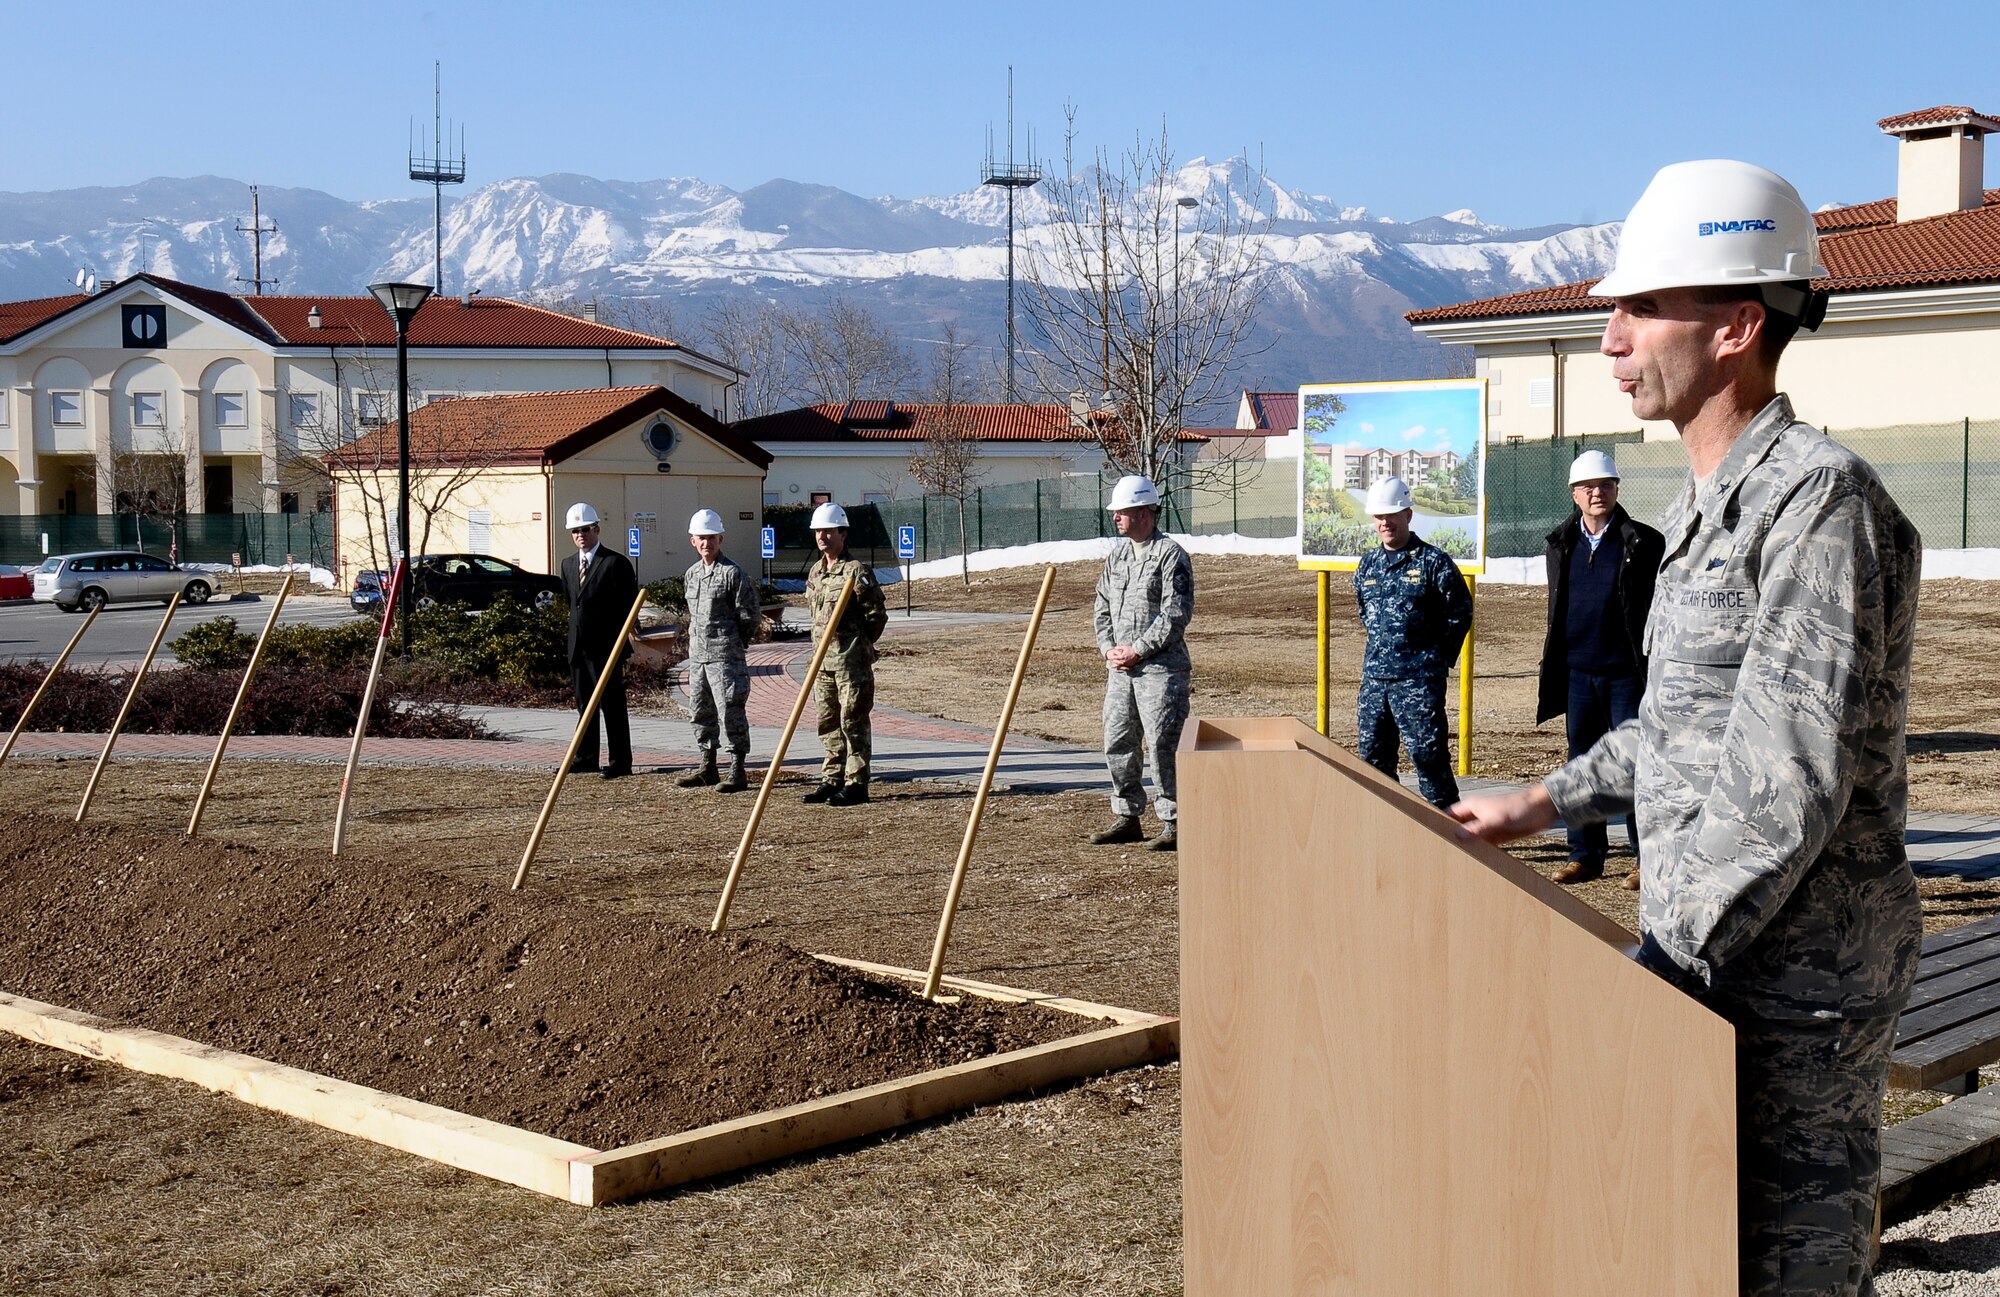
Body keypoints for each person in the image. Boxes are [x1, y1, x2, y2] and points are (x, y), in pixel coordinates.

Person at [1451, 160, 1921, 1297]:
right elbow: (1679, 730)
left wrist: (1661, 964)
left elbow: (1787, 776)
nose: (1610, 338)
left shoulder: (1818, 504)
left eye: (1643, 306)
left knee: (1788, 1274)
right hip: (1715, 972)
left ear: (1735, 328)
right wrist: (1539, 801)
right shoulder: (1706, 511)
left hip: (1795, 990)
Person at [1537, 450, 1664, 887]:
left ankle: (1647, 859)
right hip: (1578, 674)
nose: (1597, 493)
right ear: (1574, 493)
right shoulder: (1561, 543)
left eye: (1606, 485)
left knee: (1637, 764)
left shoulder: (1643, 542)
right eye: (1588, 487)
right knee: (1582, 763)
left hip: (1627, 673)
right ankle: (1585, 855)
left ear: (1616, 489)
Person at [1352, 475, 1473, 810]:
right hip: (1375, 682)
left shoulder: (1433, 562)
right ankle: (1384, 825)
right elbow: (1365, 611)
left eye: (1392, 515)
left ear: (1408, 514)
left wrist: (1436, 658)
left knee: (1428, 758)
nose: (1385, 523)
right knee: (1373, 761)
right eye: (1379, 516)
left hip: (1417, 682)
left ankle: (1448, 828)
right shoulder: (1368, 565)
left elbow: (1460, 611)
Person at [1089, 474, 1194, 852]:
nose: (1116, 517)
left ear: (1145, 512)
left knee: (1164, 744)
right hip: (1121, 670)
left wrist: (1138, 649)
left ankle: (1175, 821)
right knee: (1118, 740)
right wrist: (1109, 649)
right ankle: (1127, 815)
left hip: (1161, 671)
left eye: (1123, 511)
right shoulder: (1117, 556)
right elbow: (1101, 606)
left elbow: (1175, 613)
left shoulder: (1170, 555)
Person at [802, 502, 887, 806]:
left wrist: (858, 645)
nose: (822, 536)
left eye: (828, 531)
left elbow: (876, 615)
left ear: (843, 533)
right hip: (821, 663)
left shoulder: (856, 571)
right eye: (818, 531)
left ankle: (856, 783)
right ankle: (832, 778)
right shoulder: (816, 572)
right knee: (827, 722)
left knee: (852, 720)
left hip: (850, 663)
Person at [677, 508, 762, 793]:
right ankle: (708, 766)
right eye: (701, 538)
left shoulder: (732, 573)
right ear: (693, 541)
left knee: (730, 711)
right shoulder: (691, 575)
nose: (706, 543)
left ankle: (737, 769)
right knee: (699, 711)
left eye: (711, 537)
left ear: (720, 539)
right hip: (698, 657)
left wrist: (735, 642)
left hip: (725, 657)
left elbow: (749, 616)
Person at [561, 502, 640, 779]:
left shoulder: (615, 563)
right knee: (585, 705)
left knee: (612, 705)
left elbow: (628, 606)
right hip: (578, 647)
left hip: (606, 648)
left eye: (585, 529)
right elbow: (572, 603)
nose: (580, 535)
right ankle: (585, 758)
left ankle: (620, 761)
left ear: (597, 529)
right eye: (575, 531)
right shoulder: (568, 564)